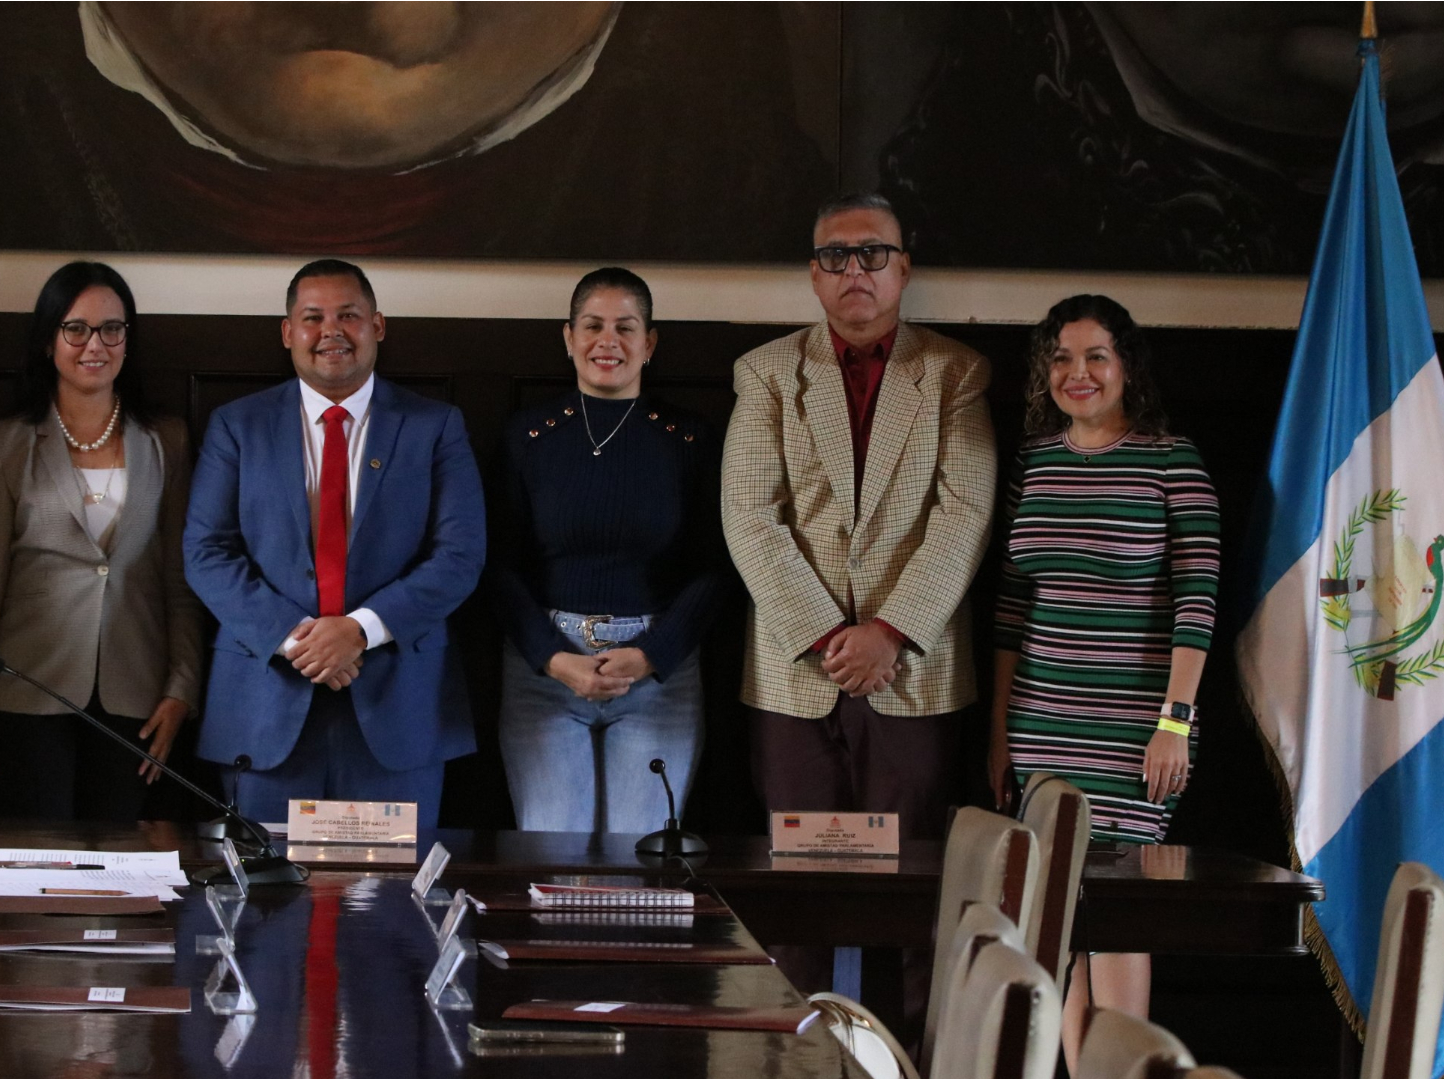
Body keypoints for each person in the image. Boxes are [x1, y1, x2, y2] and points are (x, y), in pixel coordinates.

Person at [986, 294, 1220, 1071]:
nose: (1077, 373)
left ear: (1126, 367)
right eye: (1061, 358)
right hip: (1042, 726)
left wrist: (1175, 721)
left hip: (1134, 734)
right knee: (1060, 922)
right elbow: (1011, 608)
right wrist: (999, 736)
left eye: (1095, 356)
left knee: (1117, 917)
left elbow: (1197, 601)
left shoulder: (1171, 460)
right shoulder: (1035, 460)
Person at [722, 192, 996, 842]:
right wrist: (832, 641)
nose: (854, 269)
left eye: (872, 253)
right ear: (814, 273)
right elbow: (750, 516)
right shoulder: (765, 373)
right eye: (835, 255)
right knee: (800, 879)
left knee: (909, 883)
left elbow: (963, 516)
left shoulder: (957, 373)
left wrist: (888, 634)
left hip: (915, 673)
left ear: (904, 267)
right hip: (796, 674)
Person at [183, 259, 485, 831]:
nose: (331, 331)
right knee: (266, 884)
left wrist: (359, 631)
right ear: (287, 332)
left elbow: (459, 556)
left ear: (378, 325)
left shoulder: (435, 426)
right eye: (313, 318)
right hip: (265, 706)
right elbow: (207, 552)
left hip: (399, 708)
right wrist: (301, 640)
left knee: (391, 886)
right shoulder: (237, 426)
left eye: (348, 315)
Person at [0, 262, 204, 820]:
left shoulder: (167, 441)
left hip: (139, 697)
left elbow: (180, 582)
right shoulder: (4, 444)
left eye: (112, 329)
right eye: (76, 329)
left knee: (126, 862)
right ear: (48, 340)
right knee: (33, 860)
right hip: (26, 690)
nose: (95, 345)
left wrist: (182, 689)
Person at [488, 268, 727, 833]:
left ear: (650, 342)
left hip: (657, 676)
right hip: (545, 674)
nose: (608, 341)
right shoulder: (527, 436)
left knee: (639, 858)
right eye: (593, 326)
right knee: (553, 855)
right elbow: (496, 564)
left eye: (626, 327)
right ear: (568, 337)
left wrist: (651, 654)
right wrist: (553, 657)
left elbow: (717, 566)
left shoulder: (689, 439)